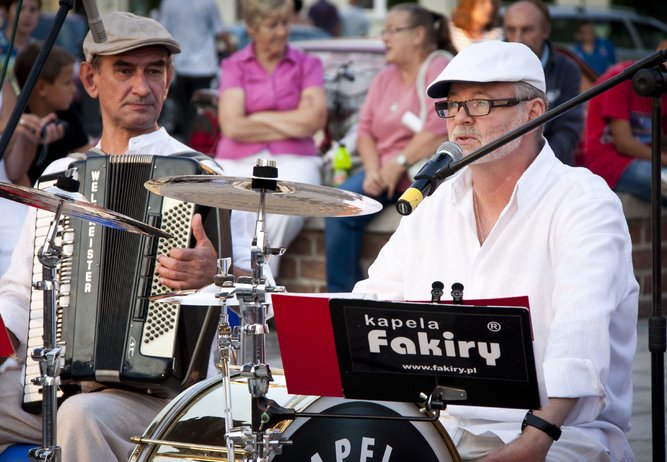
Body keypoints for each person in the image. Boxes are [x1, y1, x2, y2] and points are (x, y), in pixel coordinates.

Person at [0, 12, 269, 460]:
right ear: (90, 79)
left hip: (165, 396)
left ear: (169, 80)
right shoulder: (57, 177)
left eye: (154, 71)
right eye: (124, 71)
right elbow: (19, 294)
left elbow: (264, 302)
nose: (141, 87)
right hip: (54, 380)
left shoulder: (208, 178)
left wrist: (215, 276)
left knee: (82, 416)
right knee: (74, 407)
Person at [354, 39, 638, 461]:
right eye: (452, 105)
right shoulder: (434, 206)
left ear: (534, 112)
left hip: (559, 436)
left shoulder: (584, 202)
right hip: (441, 429)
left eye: (481, 103)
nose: (460, 120)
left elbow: (581, 335)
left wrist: (534, 440)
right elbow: (370, 305)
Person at [325, 4, 454, 293]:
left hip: (424, 171)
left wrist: (397, 163)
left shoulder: (439, 67)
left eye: (392, 31)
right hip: (383, 171)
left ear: (418, 35)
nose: (384, 38)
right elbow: (365, 129)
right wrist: (373, 170)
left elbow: (438, 129)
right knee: (339, 210)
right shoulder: (385, 76)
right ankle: (343, 299)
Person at [215, 0, 327, 276]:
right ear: (251, 29)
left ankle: (258, 281)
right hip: (236, 157)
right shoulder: (234, 65)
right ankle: (251, 285)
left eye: (285, 23)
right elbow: (231, 126)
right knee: (224, 211)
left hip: (295, 156)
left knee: (286, 205)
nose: (281, 31)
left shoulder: (307, 64)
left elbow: (313, 121)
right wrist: (292, 120)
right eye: (272, 25)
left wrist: (256, 118)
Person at [582, 41, 667, 205]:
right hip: (611, 162)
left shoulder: (663, 85)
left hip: (645, 158)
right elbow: (624, 143)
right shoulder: (622, 77)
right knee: (663, 183)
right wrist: (664, 159)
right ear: (660, 51)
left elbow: (661, 137)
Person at [504, 0, 584, 166]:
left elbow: (568, 132)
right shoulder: (492, 69)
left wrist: (532, 164)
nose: (517, 38)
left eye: (526, 29)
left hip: (550, 168)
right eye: (511, 30)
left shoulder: (567, 71)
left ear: (545, 30)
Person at [11, 41, 93, 186]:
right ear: (41, 87)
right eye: (67, 83)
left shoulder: (68, 114)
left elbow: (87, 156)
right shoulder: (15, 117)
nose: (74, 89)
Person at [158, 0, 232, 139]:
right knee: (205, 112)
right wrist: (233, 50)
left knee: (186, 113)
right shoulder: (207, 3)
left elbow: (162, 32)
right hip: (204, 67)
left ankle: (187, 148)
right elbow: (221, 31)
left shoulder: (169, 3)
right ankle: (203, 147)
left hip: (181, 66)